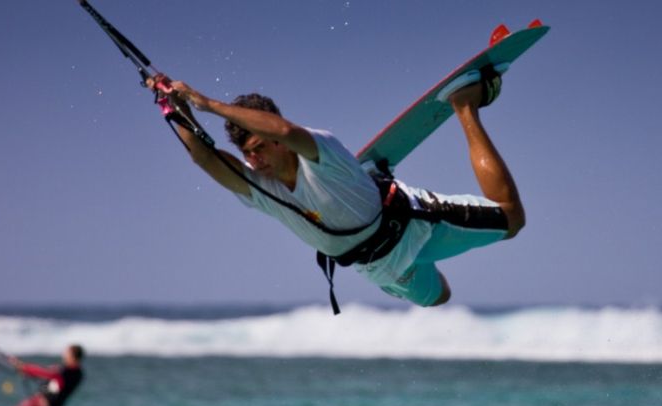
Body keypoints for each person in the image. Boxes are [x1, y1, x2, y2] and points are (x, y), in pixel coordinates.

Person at [148, 68, 524, 310]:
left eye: (259, 148)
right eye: (248, 154)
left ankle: (464, 106)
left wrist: (208, 104)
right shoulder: (259, 187)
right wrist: (172, 105)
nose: (256, 161)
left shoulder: (318, 148)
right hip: (381, 268)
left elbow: (283, 131)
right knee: (441, 297)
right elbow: (204, 157)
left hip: (415, 224)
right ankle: (371, 177)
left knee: (512, 218)